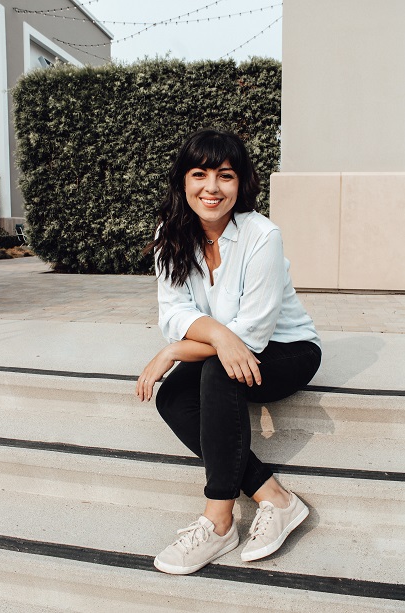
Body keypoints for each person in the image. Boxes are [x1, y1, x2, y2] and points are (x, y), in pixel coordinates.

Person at [136, 128, 321, 575]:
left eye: (226, 175)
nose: (212, 188)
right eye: (199, 174)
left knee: (220, 372)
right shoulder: (171, 233)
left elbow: (252, 335)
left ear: (242, 184)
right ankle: (274, 497)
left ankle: (218, 522)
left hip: (288, 350)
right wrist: (211, 338)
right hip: (225, 348)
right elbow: (174, 310)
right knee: (174, 398)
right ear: (183, 180)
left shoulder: (262, 235)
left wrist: (175, 351)